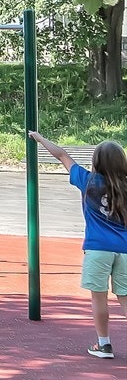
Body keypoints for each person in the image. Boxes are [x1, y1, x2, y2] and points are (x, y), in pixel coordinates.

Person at [28, 132, 127, 359]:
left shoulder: (88, 181)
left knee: (99, 297)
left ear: (96, 162)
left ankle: (104, 344)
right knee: (125, 297)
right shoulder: (125, 187)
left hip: (97, 248)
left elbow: (62, 155)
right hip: (124, 249)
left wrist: (41, 139)